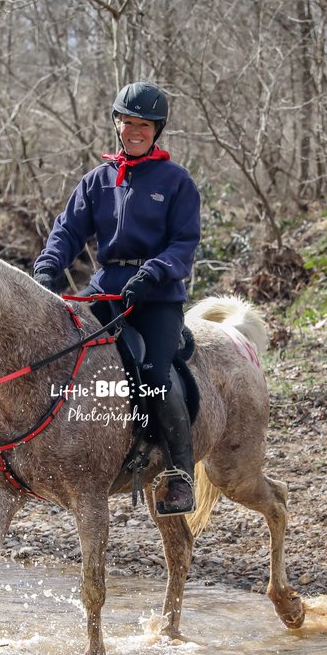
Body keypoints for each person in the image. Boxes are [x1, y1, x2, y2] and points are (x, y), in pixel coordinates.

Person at [33, 81, 201, 516]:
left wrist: (153, 272)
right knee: (65, 350)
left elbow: (184, 243)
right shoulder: (98, 180)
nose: (134, 132)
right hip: (106, 288)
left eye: (142, 125)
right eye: (127, 124)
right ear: (117, 125)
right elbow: (68, 230)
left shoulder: (177, 182)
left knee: (154, 376)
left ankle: (180, 475)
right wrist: (49, 266)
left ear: (156, 129)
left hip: (158, 295)